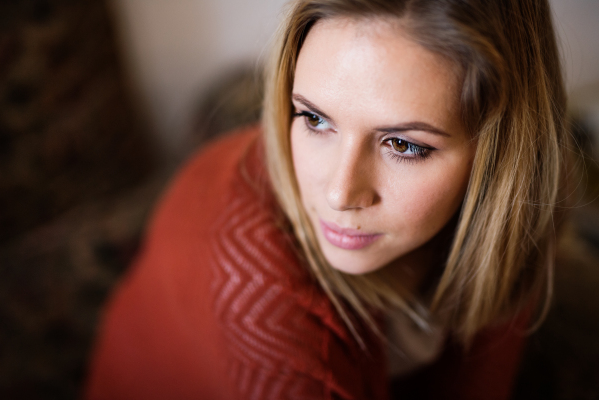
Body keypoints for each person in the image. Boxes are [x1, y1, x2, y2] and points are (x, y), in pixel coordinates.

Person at [85, 0, 570, 399]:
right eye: (315, 119)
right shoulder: (262, 299)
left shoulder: (525, 205)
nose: (339, 193)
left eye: (403, 145)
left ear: (503, 152)